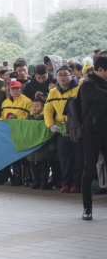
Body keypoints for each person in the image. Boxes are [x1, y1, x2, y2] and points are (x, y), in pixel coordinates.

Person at [75, 56, 107, 220]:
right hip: (91, 133)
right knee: (88, 171)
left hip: (105, 132)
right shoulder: (88, 85)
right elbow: (103, 96)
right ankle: (87, 209)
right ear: (100, 69)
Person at [45, 65, 82, 194]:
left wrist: (72, 125)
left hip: (76, 128)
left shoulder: (78, 90)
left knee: (78, 156)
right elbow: (48, 109)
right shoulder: (53, 92)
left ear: (71, 76)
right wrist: (50, 124)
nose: (62, 77)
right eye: (60, 75)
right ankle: (65, 183)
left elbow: (82, 111)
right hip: (61, 129)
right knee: (64, 156)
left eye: (65, 74)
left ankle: (76, 184)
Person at [26, 93, 55, 190]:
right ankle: (36, 181)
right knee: (33, 164)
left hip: (43, 145)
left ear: (42, 108)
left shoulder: (45, 118)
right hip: (32, 144)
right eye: (33, 106)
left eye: (37, 106)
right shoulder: (28, 117)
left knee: (43, 164)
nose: (34, 108)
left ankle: (44, 182)